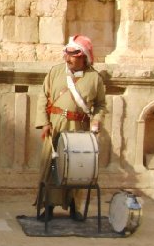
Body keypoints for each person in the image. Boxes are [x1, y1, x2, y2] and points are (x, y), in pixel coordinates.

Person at [37, 35, 107, 221]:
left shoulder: (95, 78)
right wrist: (44, 123)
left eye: (72, 56)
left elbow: (100, 105)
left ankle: (75, 206)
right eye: (66, 55)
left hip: (79, 127)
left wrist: (96, 121)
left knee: (77, 167)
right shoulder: (55, 72)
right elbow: (43, 97)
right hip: (56, 125)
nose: (67, 59)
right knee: (53, 166)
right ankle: (49, 207)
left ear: (83, 56)